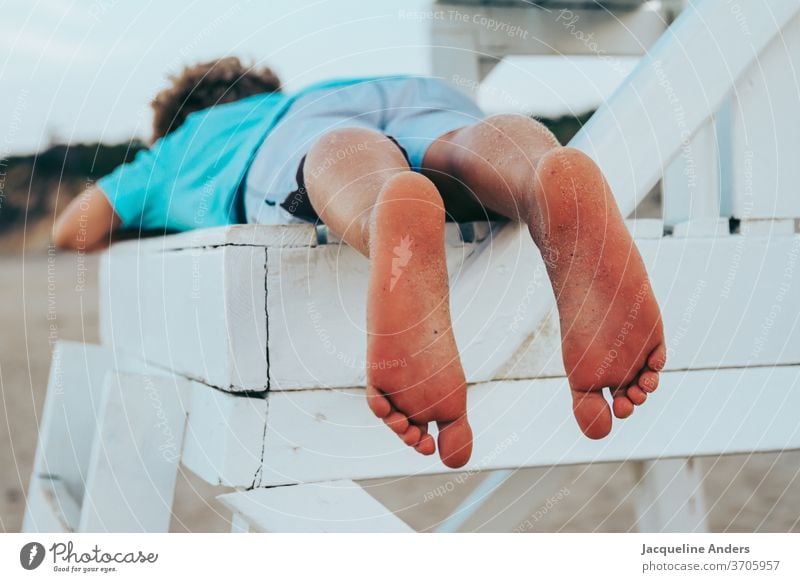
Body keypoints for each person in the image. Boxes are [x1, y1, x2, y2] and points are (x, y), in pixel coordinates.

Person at [54, 57, 665, 469]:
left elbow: (74, 228)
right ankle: (540, 175)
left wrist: (148, 211)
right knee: (462, 146)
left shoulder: (182, 146)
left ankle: (386, 207)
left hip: (295, 140)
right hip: (418, 96)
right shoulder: (310, 93)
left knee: (339, 154)